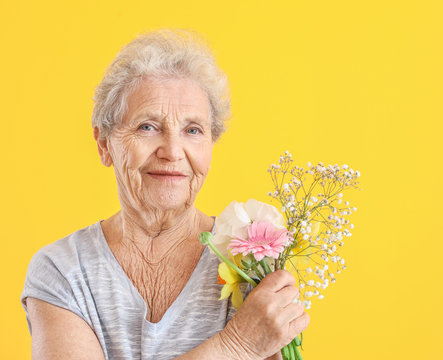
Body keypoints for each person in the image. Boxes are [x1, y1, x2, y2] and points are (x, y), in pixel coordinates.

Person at [20, 28, 309, 360]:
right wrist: (236, 346)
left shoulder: (252, 264)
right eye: (147, 127)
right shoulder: (63, 270)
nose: (172, 151)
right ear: (104, 144)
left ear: (210, 147)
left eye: (192, 130)